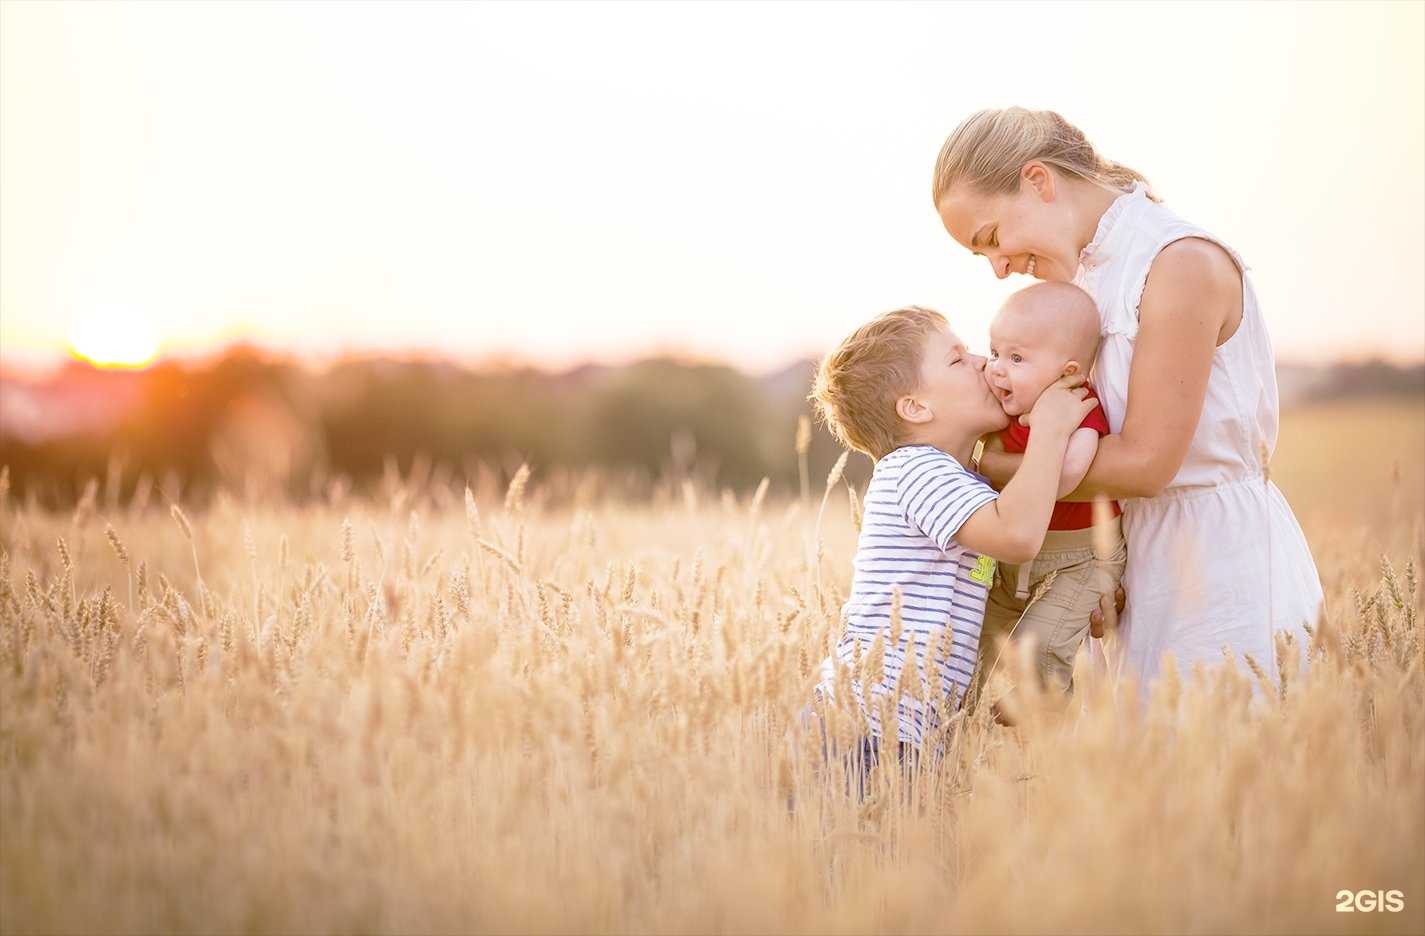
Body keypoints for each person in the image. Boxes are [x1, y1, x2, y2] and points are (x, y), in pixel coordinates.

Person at [932, 107, 1323, 693]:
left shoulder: (1179, 263)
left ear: (1037, 181)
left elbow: (1144, 463)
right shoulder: (1083, 282)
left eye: (992, 239)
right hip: (1138, 568)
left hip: (1218, 572)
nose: (998, 268)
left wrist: (980, 466)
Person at [805, 305, 1094, 766]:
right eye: (958, 360)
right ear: (916, 408)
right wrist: (1052, 431)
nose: (984, 361)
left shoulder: (962, 484)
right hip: (871, 724)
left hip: (907, 728)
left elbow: (990, 565)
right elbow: (1018, 535)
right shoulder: (914, 470)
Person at [976, 281, 1126, 698]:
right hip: (1017, 556)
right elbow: (983, 459)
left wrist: (1041, 438)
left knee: (1043, 644)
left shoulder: (1078, 408)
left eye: (1017, 357)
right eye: (994, 353)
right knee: (975, 642)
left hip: (1082, 556)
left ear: (1068, 373)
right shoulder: (1005, 411)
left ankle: (1042, 712)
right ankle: (954, 726)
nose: (997, 368)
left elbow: (1070, 473)